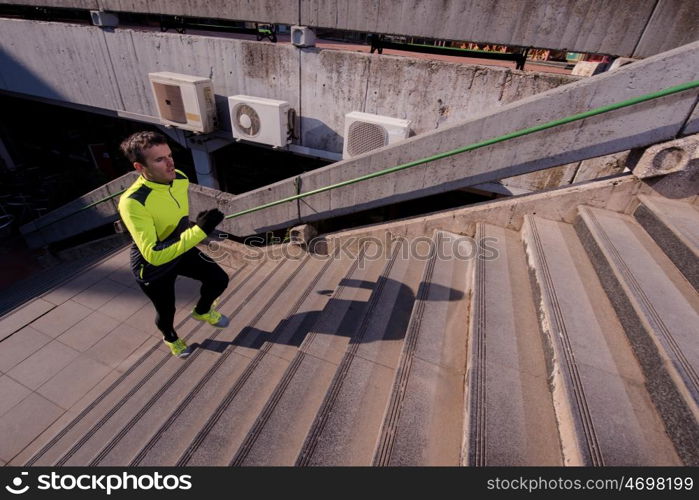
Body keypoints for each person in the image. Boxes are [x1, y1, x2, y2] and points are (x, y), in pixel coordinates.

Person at [118, 131, 230, 358]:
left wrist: (195, 224)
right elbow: (153, 254)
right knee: (166, 310)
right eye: (159, 159)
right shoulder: (133, 203)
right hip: (152, 265)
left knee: (219, 279)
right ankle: (170, 338)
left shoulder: (179, 178)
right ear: (140, 168)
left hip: (179, 248)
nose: (170, 163)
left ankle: (202, 311)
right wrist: (199, 231)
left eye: (169, 155)